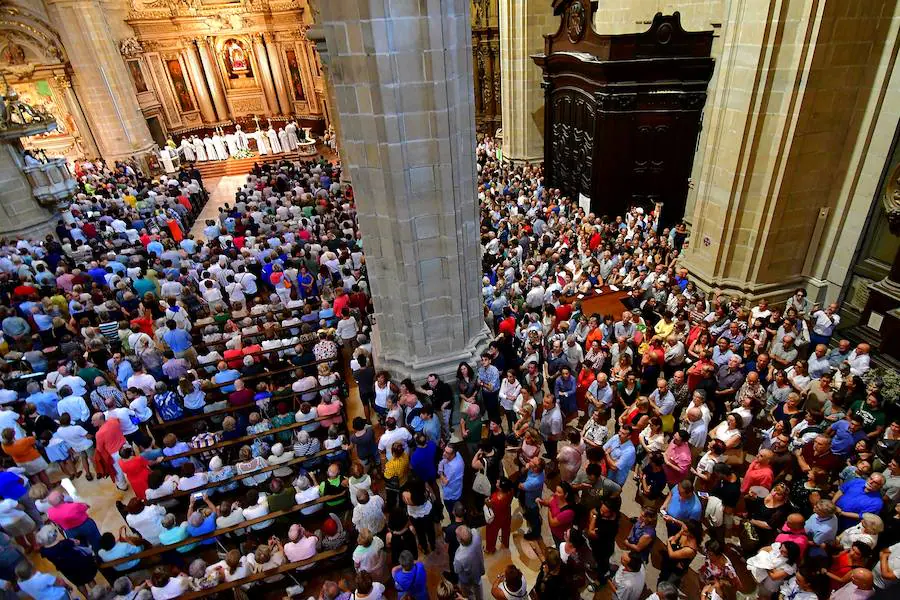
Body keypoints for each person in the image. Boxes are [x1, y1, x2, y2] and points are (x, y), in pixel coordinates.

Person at [454, 525, 486, 600]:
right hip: (478, 569)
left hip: (467, 578)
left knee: (467, 592)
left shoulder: (459, 557)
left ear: (460, 540)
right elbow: (473, 530)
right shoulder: (476, 534)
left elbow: (457, 570)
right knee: (478, 585)